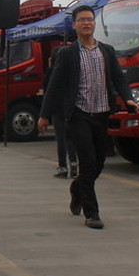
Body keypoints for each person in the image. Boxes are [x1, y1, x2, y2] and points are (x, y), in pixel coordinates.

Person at [37, 6, 138, 229]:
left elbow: (119, 78)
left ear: (94, 24)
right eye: (82, 20)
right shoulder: (68, 54)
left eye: (90, 20)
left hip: (101, 113)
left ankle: (77, 188)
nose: (86, 23)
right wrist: (44, 115)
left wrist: (129, 99)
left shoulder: (107, 51)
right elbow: (54, 85)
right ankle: (92, 213)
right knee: (88, 161)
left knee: (99, 163)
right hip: (78, 115)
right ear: (74, 25)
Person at [44, 46, 78, 178]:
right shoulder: (73, 71)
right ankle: (74, 163)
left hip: (57, 108)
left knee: (61, 137)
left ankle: (62, 167)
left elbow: (47, 88)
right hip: (71, 106)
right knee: (71, 137)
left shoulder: (53, 72)